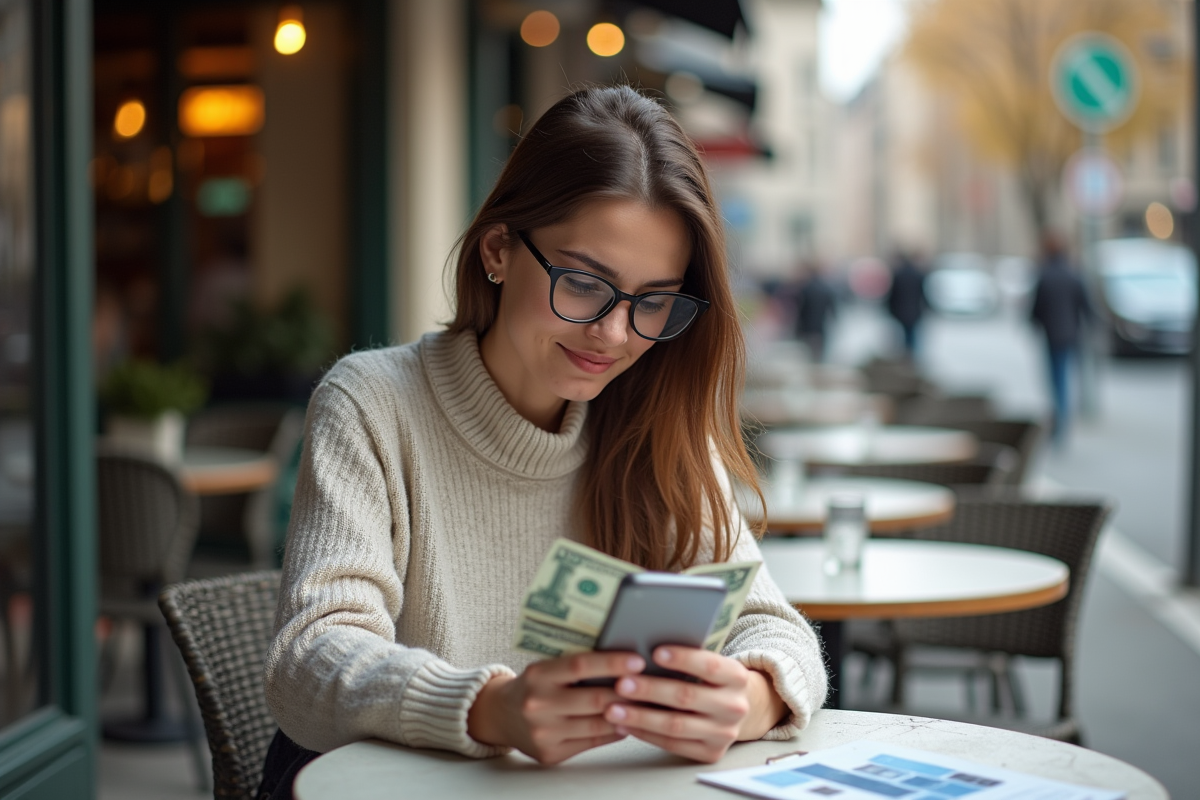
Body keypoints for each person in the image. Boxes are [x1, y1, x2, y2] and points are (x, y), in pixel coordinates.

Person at [257, 86, 828, 799]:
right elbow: (309, 660)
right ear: (498, 250)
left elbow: (774, 629)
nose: (614, 335)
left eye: (653, 301)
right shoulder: (372, 404)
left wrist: (751, 697)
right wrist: (490, 709)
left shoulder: (657, 420)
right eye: (584, 283)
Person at [1030, 233, 1091, 443]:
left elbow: (1036, 308)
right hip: (1071, 334)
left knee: (1056, 379)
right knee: (1064, 377)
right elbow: (1085, 306)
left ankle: (1059, 421)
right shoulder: (1073, 274)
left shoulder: (1045, 275)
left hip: (1051, 335)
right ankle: (1062, 420)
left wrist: (1035, 324)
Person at [792, 260, 837, 362]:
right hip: (820, 327)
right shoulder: (826, 288)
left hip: (806, 327)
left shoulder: (805, 289)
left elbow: (800, 310)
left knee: (807, 352)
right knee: (818, 353)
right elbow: (832, 310)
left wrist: (797, 328)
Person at [885, 250, 926, 357]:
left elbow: (892, 295)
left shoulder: (898, 275)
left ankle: (905, 355)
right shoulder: (918, 274)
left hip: (900, 311)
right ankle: (910, 355)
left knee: (902, 335)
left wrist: (890, 309)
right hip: (914, 311)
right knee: (912, 334)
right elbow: (923, 294)